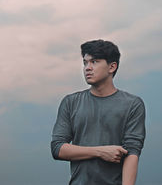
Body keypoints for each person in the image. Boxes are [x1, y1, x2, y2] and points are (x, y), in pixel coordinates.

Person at [51, 39, 146, 185]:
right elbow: (57, 148)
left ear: (112, 67)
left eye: (94, 62)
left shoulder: (132, 104)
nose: (87, 68)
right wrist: (100, 151)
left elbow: (132, 152)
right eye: (85, 62)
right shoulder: (70, 102)